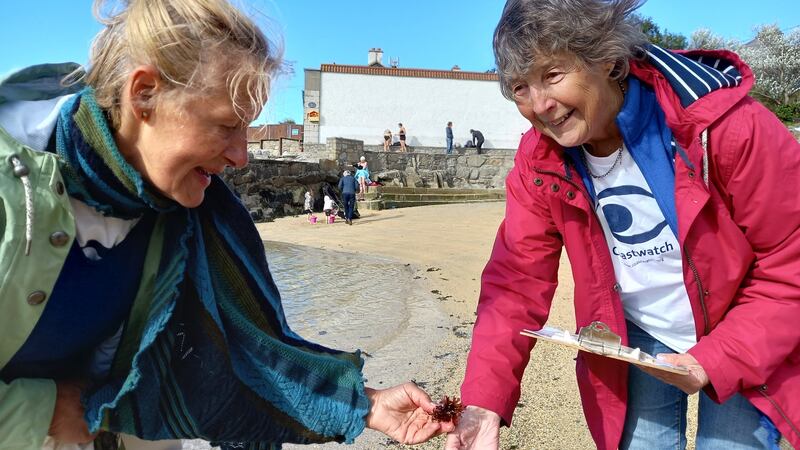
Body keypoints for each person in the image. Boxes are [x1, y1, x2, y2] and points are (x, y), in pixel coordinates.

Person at [0, 1, 454, 449]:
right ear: (143, 95)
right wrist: (44, 409)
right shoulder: (11, 187)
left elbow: (245, 352)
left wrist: (366, 405)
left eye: (247, 128)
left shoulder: (177, 208)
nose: (242, 156)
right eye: (225, 126)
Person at [446, 1, 800, 449]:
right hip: (636, 332)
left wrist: (719, 356)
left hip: (743, 320)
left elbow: (791, 260)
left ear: (608, 59)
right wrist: (484, 402)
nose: (540, 105)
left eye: (552, 75)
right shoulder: (539, 162)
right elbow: (516, 282)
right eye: (520, 87)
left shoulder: (725, 127)